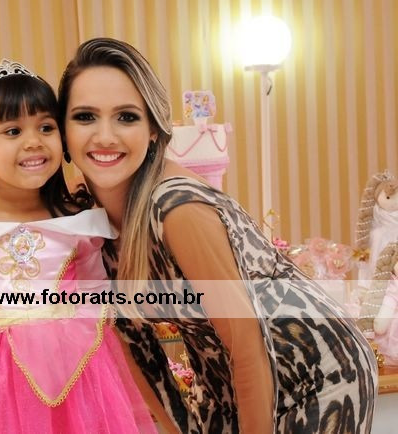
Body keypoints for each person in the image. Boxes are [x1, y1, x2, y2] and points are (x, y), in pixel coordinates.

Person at [58, 37, 378, 433]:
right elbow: (139, 351)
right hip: (223, 378)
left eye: (126, 117)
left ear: (154, 130)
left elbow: (248, 345)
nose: (105, 136)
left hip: (315, 373)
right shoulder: (86, 219)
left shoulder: (177, 209)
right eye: (85, 116)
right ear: (64, 132)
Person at [0, 59, 156, 433]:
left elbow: (96, 297)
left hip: (73, 380)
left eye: (46, 127)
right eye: (12, 130)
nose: (33, 141)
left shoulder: (78, 219)